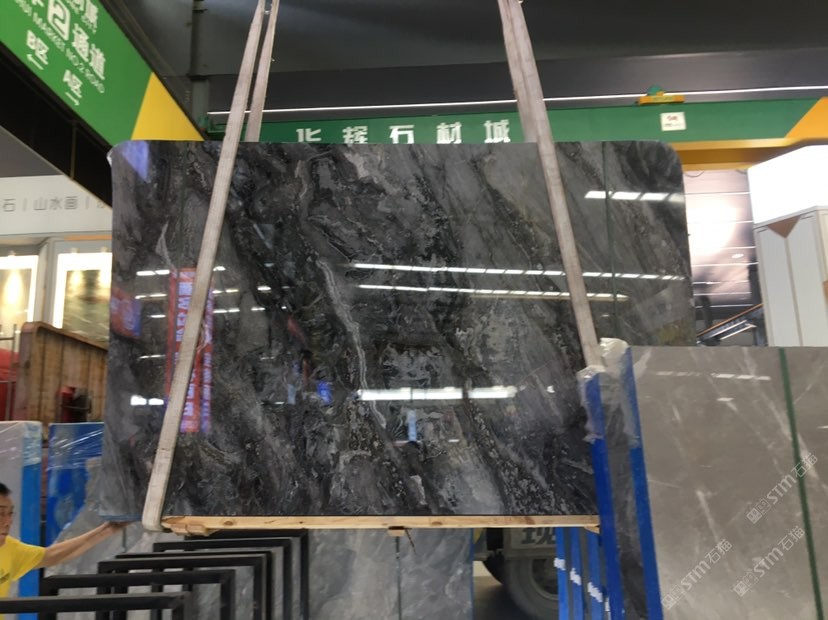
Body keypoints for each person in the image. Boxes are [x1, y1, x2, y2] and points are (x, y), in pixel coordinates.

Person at [0, 481, 127, 599]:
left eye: (10, 513)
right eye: (1, 513)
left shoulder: (11, 548)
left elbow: (52, 555)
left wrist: (108, 529)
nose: (8, 522)